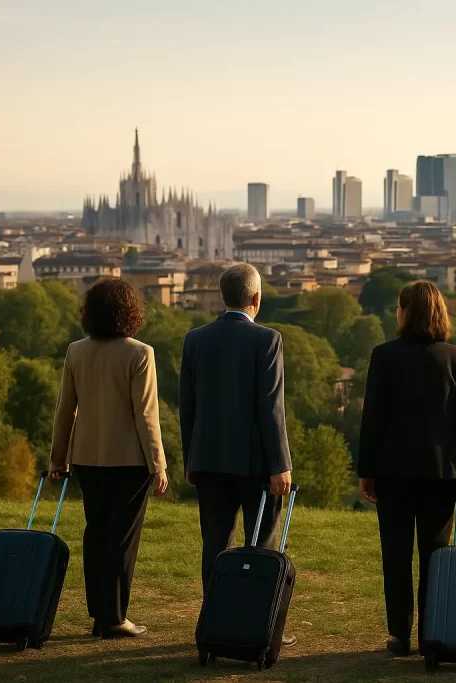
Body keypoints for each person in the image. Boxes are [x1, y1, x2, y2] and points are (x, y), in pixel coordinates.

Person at [358, 280, 456, 657]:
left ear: (407, 312)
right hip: (441, 472)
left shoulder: (384, 355)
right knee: (436, 556)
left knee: (395, 556)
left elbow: (373, 421)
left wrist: (367, 470)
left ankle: (399, 634)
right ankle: (433, 631)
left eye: (399, 306)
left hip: (392, 471)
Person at [179, 263, 296, 647]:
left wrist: (190, 460)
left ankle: (214, 619)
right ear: (256, 298)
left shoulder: (195, 339)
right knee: (260, 545)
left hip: (209, 461)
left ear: (222, 296)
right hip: (256, 465)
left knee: (213, 545)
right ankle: (254, 623)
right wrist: (280, 465)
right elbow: (271, 408)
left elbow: (188, 407)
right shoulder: (268, 339)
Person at [48, 278, 169, 639]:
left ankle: (102, 615)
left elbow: (64, 411)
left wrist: (58, 457)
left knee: (97, 534)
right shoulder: (140, 353)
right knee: (122, 540)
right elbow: (145, 415)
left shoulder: (76, 351)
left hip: (86, 457)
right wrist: (158, 464)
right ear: (131, 312)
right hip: (129, 461)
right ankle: (114, 618)